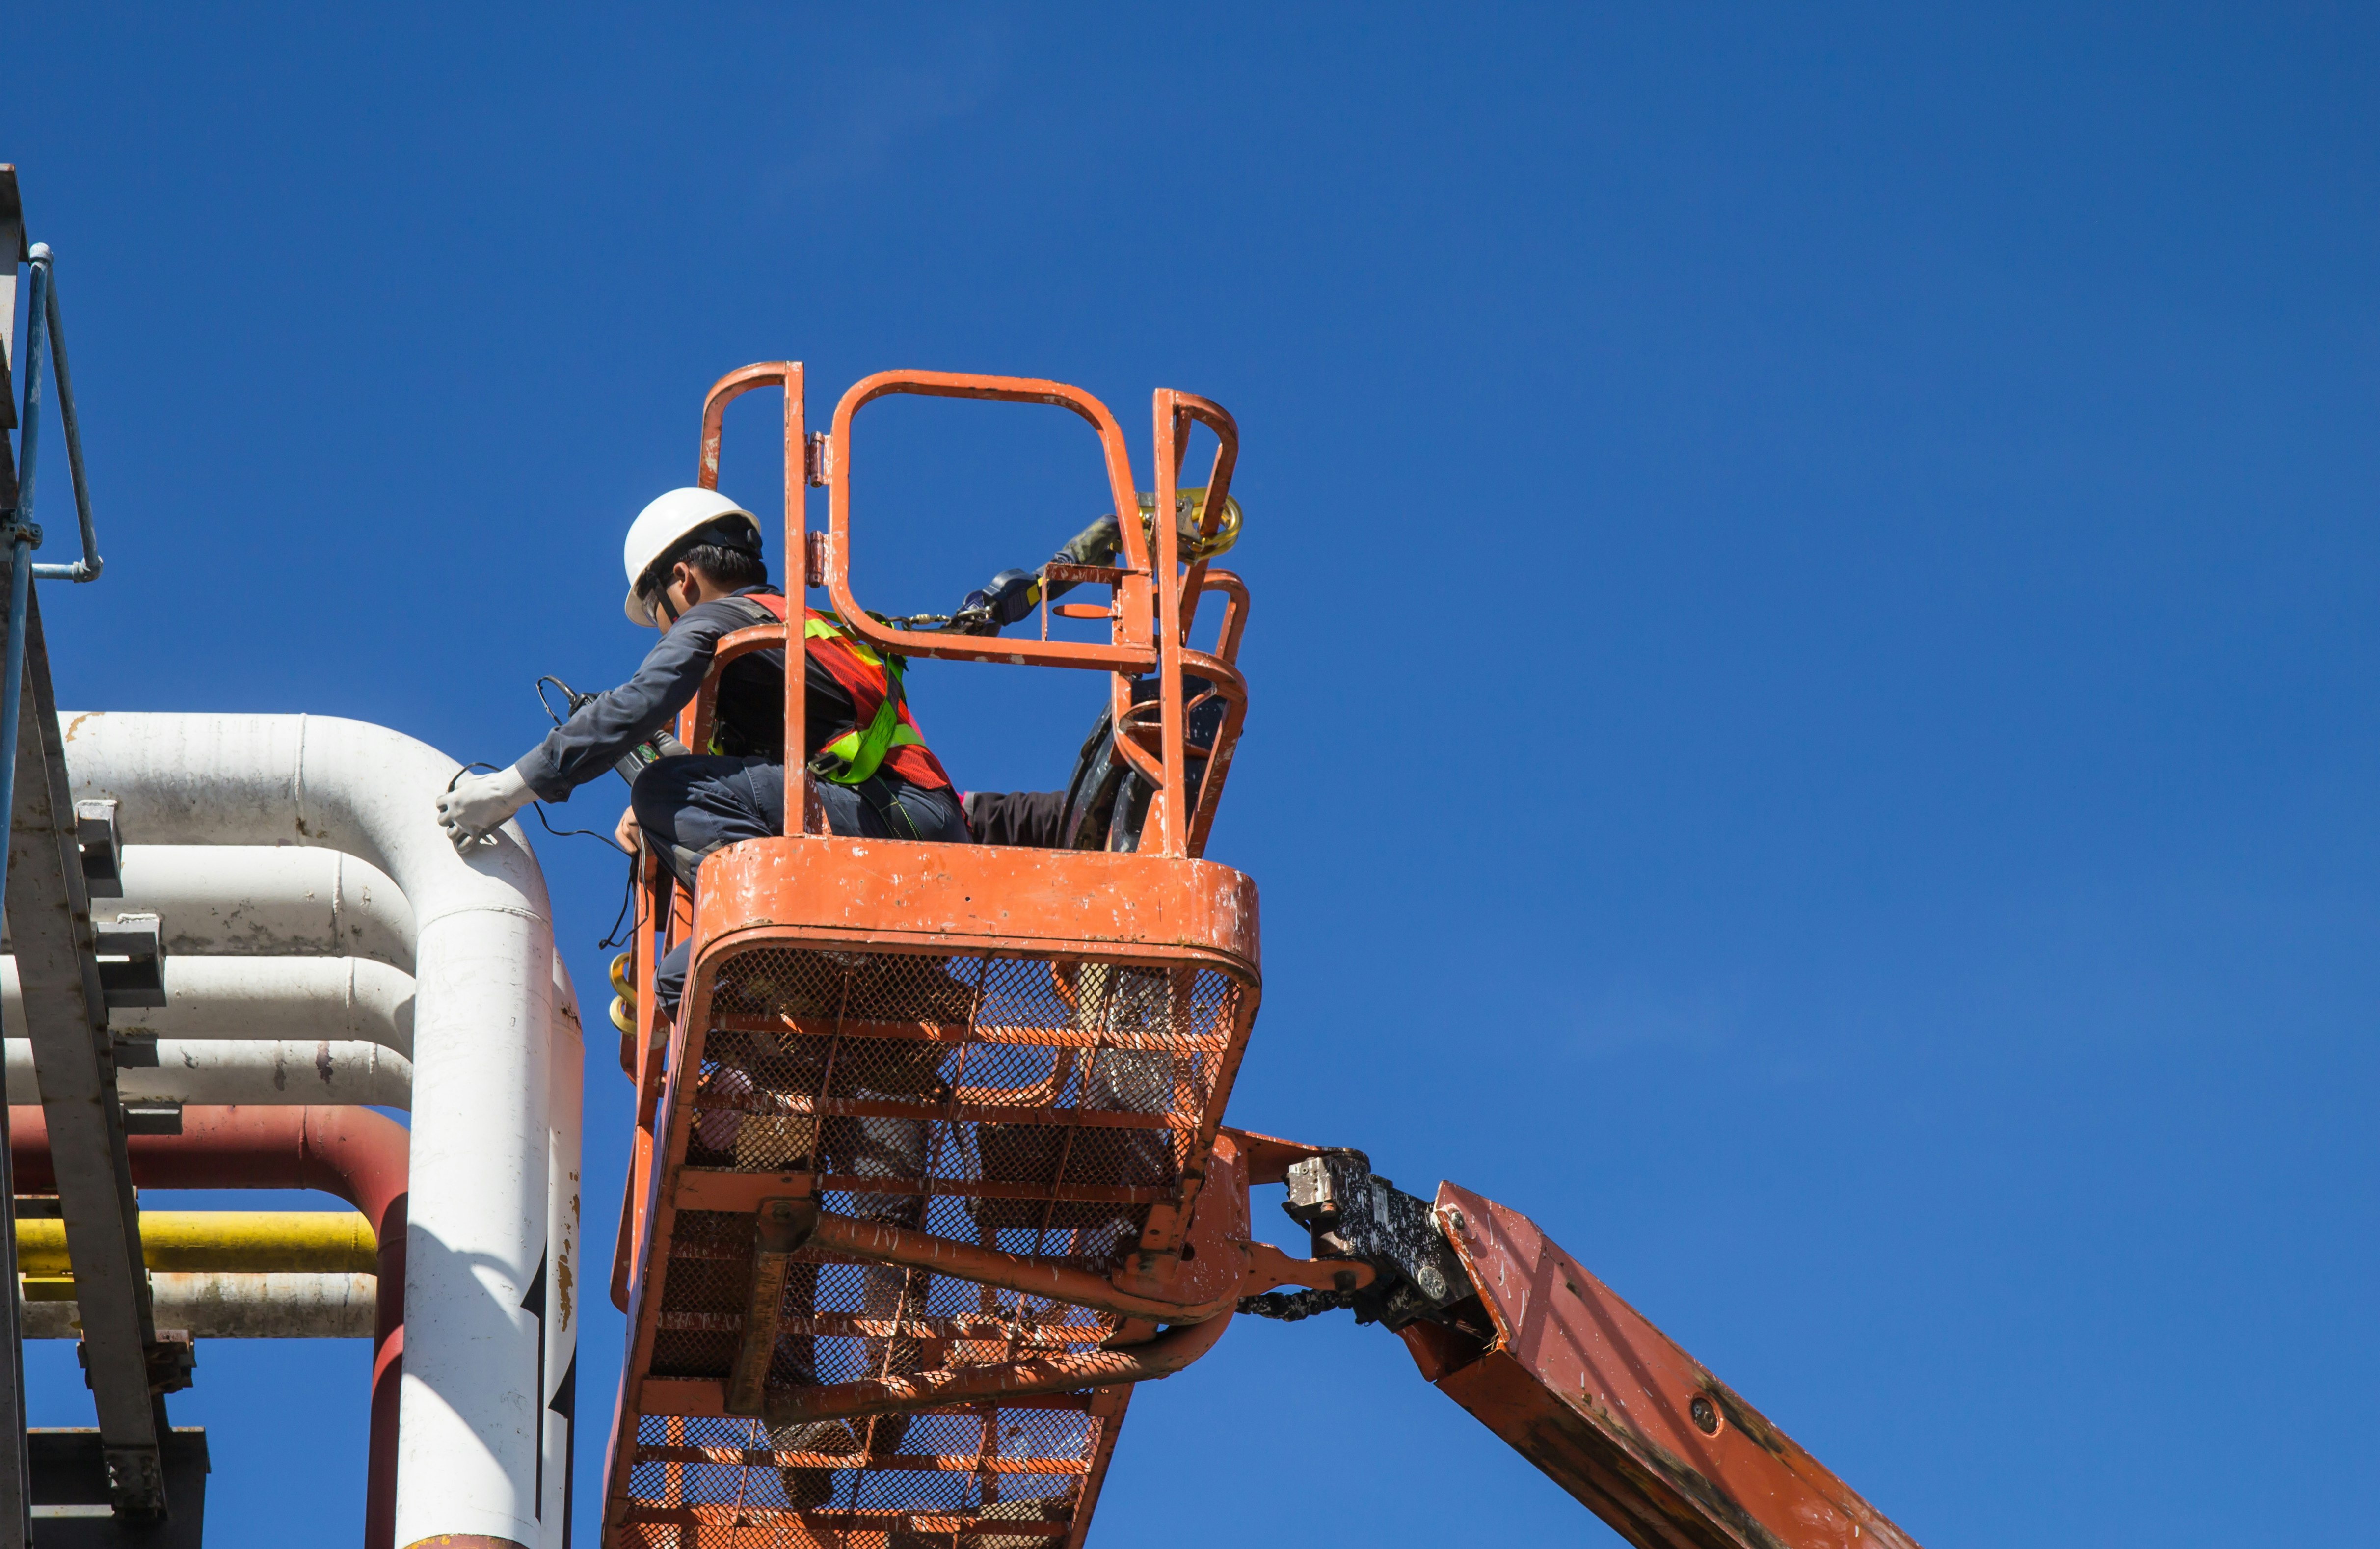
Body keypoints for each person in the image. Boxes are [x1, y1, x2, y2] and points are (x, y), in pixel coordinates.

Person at [433, 486, 971, 1011]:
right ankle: (848, 1008)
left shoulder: (723, 619)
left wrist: (505, 791)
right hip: (903, 822)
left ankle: (779, 934)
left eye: (655, 610)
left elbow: (640, 701)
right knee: (674, 984)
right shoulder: (808, 629)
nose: (661, 629)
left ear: (682, 581)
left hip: (885, 821)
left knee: (665, 790)